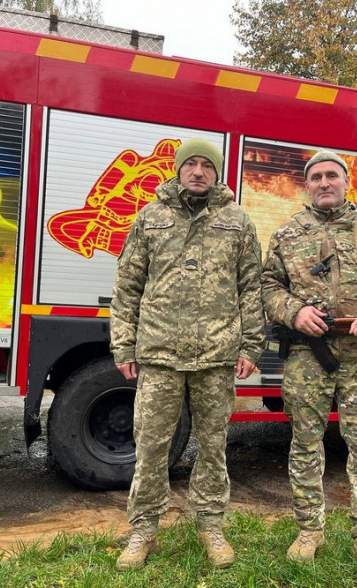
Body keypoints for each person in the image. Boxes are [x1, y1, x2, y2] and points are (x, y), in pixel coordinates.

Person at [110, 138, 265, 571]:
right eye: (191, 164)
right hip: (159, 354)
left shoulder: (237, 221)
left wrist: (252, 345)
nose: (198, 172)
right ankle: (143, 530)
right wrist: (123, 344)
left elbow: (250, 287)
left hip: (216, 356)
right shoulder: (151, 217)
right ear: (178, 170)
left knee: (213, 446)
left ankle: (211, 526)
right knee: (151, 447)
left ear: (217, 173)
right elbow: (127, 287)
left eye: (206, 166)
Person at [261, 151, 357, 586]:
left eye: (332, 175)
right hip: (308, 356)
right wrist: (293, 312)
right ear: (306, 185)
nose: (324, 182)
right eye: (316, 177)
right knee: (305, 445)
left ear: (346, 182)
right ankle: (309, 530)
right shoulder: (288, 233)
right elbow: (268, 285)